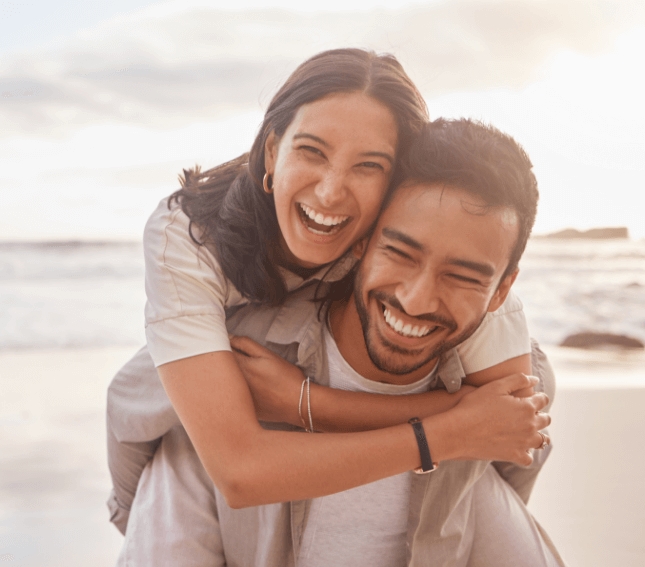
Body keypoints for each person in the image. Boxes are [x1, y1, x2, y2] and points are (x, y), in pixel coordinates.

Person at [107, 49, 542, 530]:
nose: (331, 192)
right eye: (311, 151)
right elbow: (240, 471)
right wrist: (442, 434)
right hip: (208, 372)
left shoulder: (424, 250)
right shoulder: (186, 234)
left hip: (317, 362)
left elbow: (510, 414)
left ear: (398, 181)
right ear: (272, 152)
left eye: (369, 166)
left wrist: (310, 403)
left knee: (535, 374)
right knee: (146, 390)